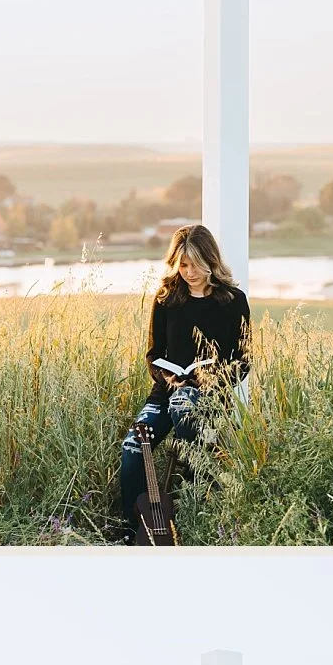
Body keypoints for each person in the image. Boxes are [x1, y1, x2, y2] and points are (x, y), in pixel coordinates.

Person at [117, 224, 251, 537]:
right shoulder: (166, 299)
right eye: (183, 264)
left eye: (195, 264)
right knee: (133, 447)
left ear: (211, 260)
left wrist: (210, 378)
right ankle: (134, 529)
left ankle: (193, 501)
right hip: (166, 394)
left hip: (211, 396)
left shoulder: (233, 301)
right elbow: (153, 355)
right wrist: (171, 377)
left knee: (185, 403)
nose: (189, 272)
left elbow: (244, 361)